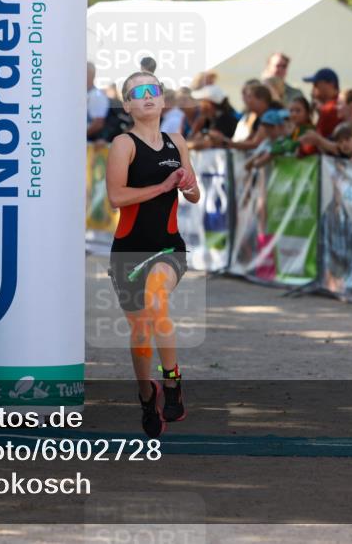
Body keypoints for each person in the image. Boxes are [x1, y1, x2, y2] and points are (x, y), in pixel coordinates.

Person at [105, 71, 200, 438]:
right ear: (127, 105)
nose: (147, 96)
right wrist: (161, 185)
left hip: (167, 247)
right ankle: (147, 394)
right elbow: (117, 198)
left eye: (153, 90)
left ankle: (172, 381)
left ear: (162, 100)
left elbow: (192, 194)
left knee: (156, 300)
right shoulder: (122, 144)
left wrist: (188, 187)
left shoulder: (177, 141)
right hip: (128, 251)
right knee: (141, 328)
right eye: (137, 92)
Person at [299, 88, 352, 158]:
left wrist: (319, 140)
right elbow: (328, 147)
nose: (336, 107)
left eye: (339, 104)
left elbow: (341, 151)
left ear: (351, 106)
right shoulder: (340, 128)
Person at [225, 83, 274, 150]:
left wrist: (226, 142)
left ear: (262, 99)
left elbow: (255, 143)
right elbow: (250, 139)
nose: (245, 100)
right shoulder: (257, 117)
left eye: (249, 97)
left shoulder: (270, 115)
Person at [188, 85, 239, 149]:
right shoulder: (208, 120)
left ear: (209, 104)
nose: (198, 104)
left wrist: (183, 147)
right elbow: (191, 139)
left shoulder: (227, 121)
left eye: (201, 101)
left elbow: (205, 144)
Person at [302, 67, 340, 138]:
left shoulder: (331, 108)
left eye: (316, 85)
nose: (313, 89)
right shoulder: (327, 107)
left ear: (331, 85)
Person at [86, 62, 110, 141]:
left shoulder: (96, 96)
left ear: (90, 74)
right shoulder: (87, 94)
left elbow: (98, 123)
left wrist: (77, 137)